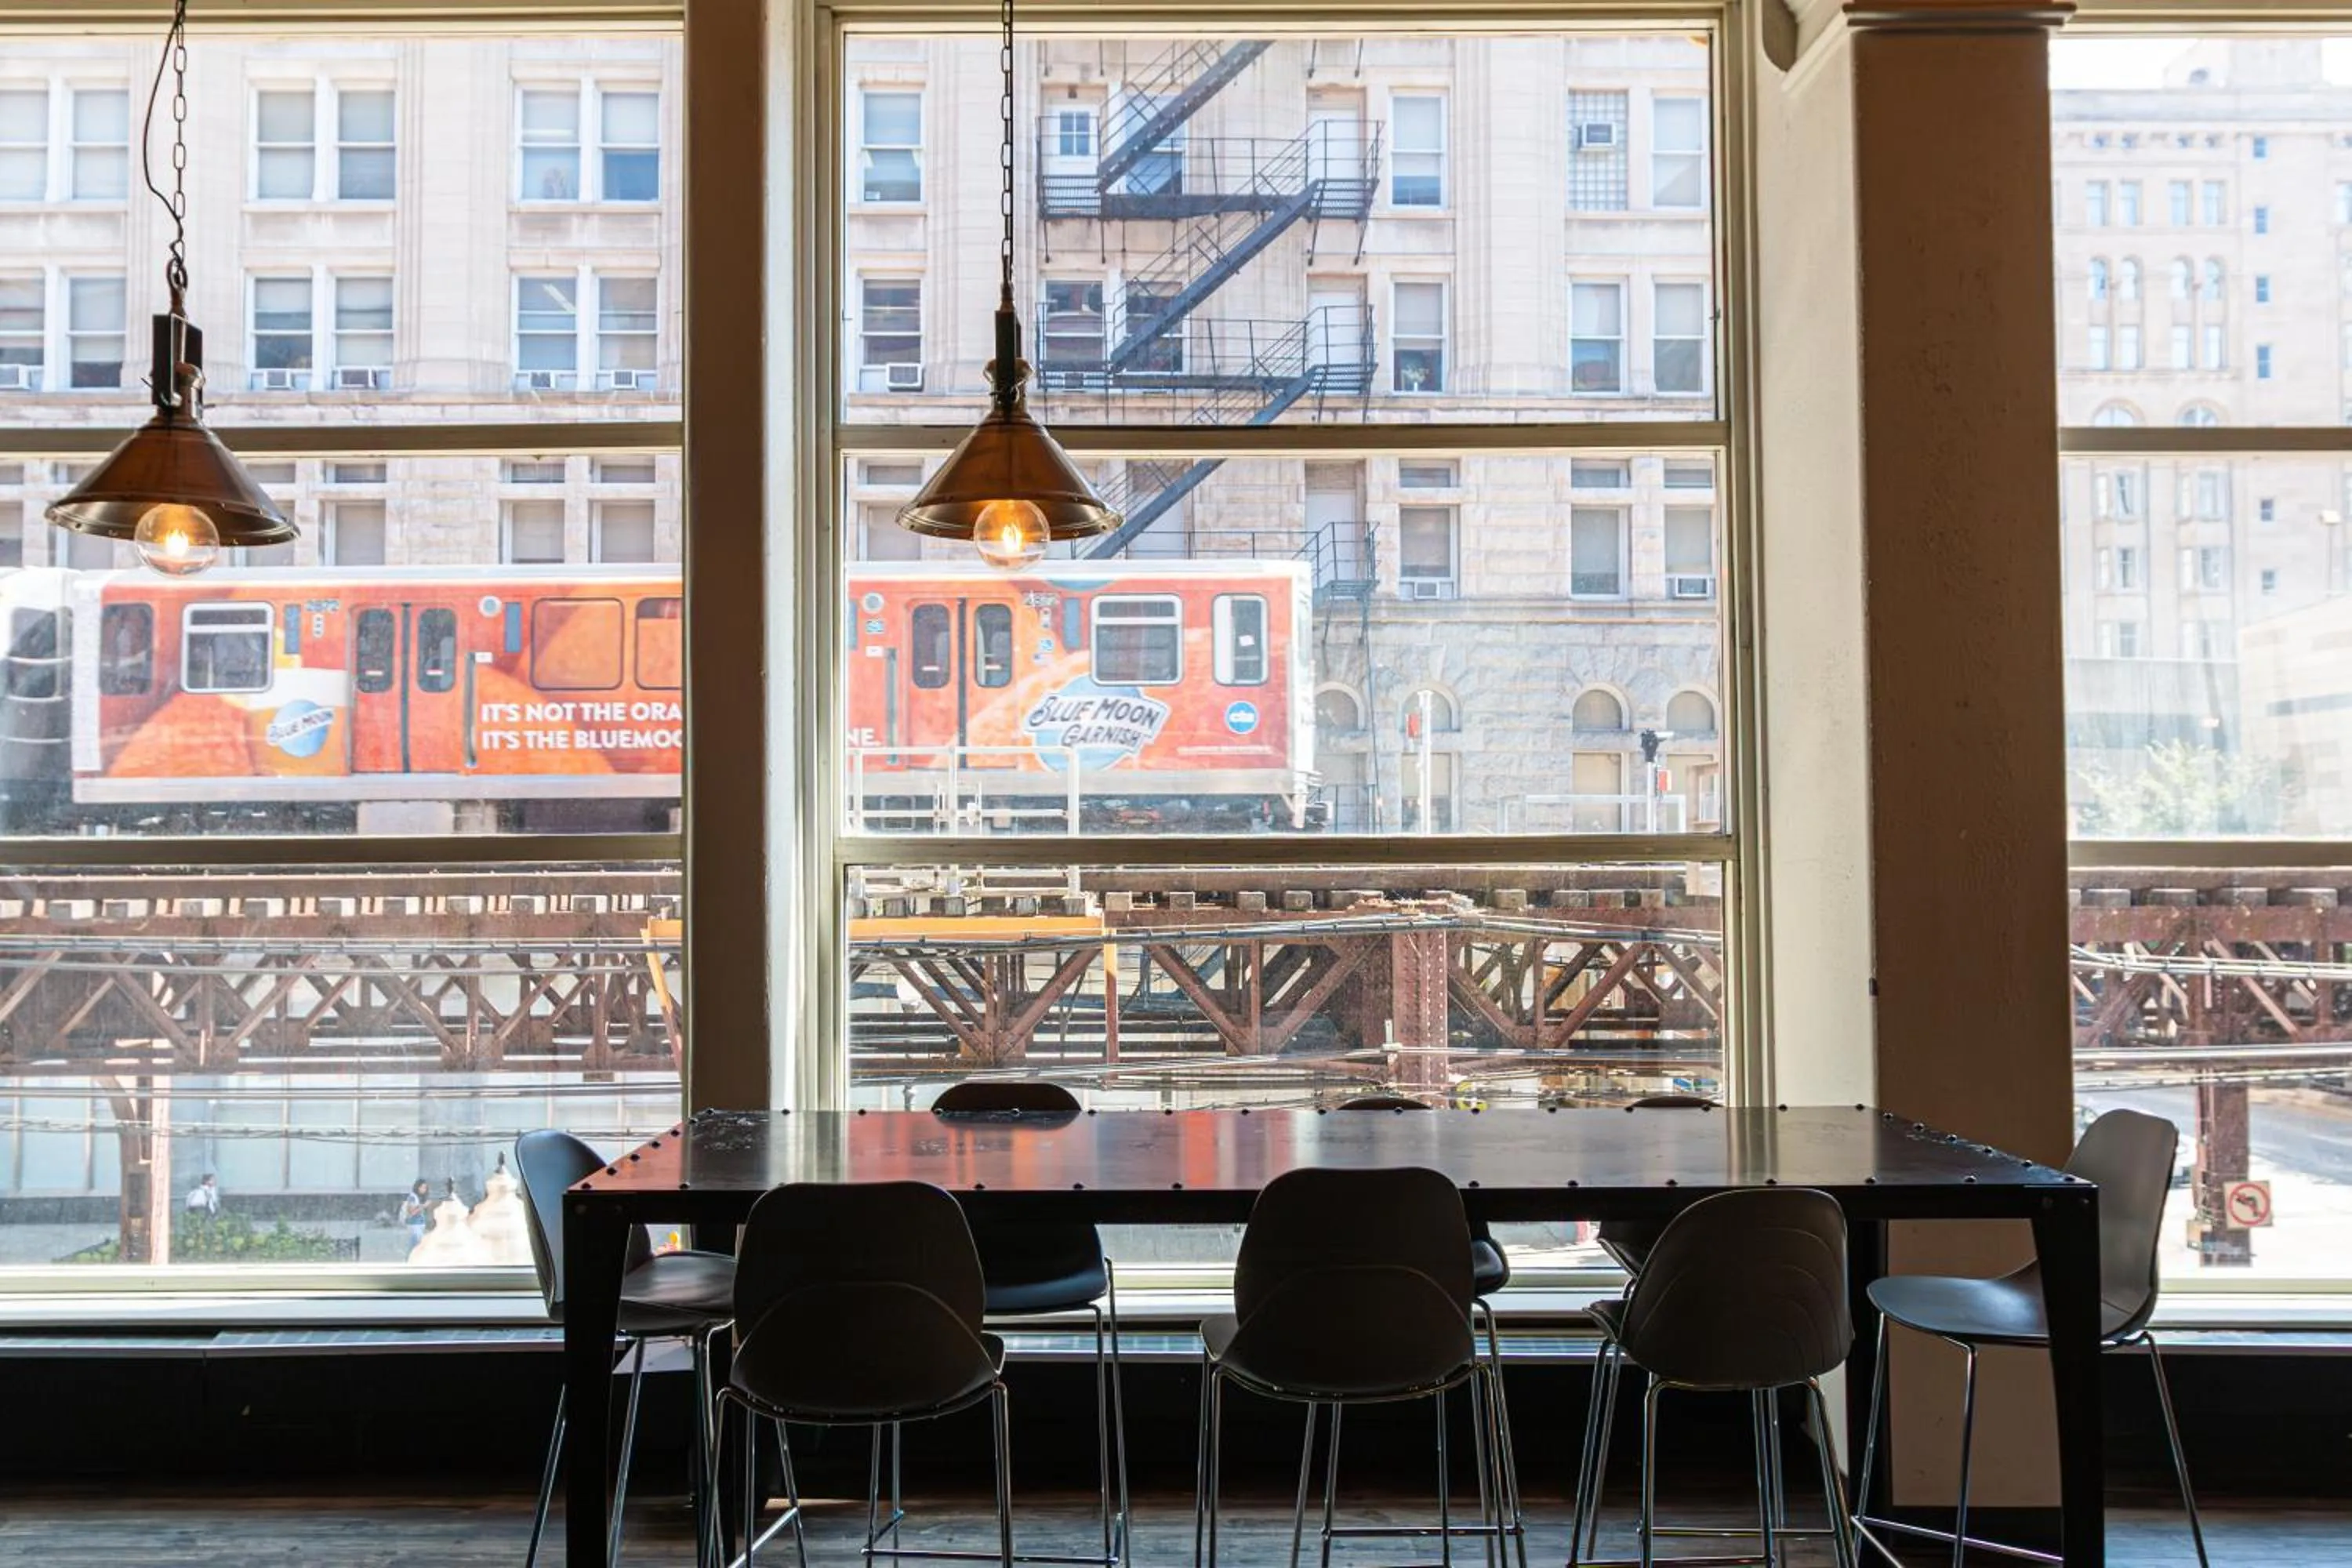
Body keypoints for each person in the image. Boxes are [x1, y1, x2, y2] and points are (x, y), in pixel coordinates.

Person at [398, 1178, 432, 1252]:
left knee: (417, 1246)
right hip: (414, 1225)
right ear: (418, 1187)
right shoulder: (413, 1197)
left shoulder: (420, 1197)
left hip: (420, 1224)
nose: (424, 1190)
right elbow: (412, 1212)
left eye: (425, 1188)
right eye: (422, 1187)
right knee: (416, 1247)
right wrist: (424, 1206)